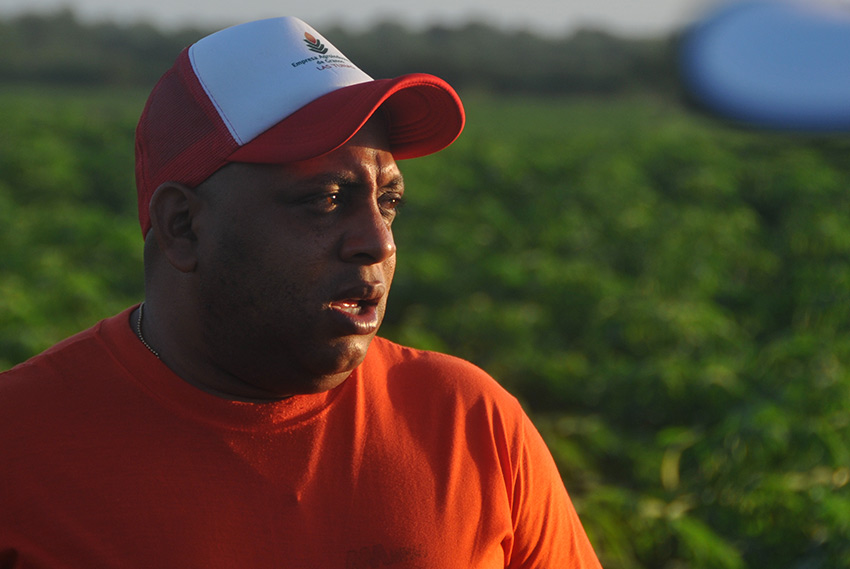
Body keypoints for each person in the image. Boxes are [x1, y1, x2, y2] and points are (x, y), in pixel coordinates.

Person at [0, 17, 603, 569]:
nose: (378, 243)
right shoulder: (20, 446)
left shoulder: (469, 423)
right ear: (184, 226)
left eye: (388, 201)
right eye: (325, 200)